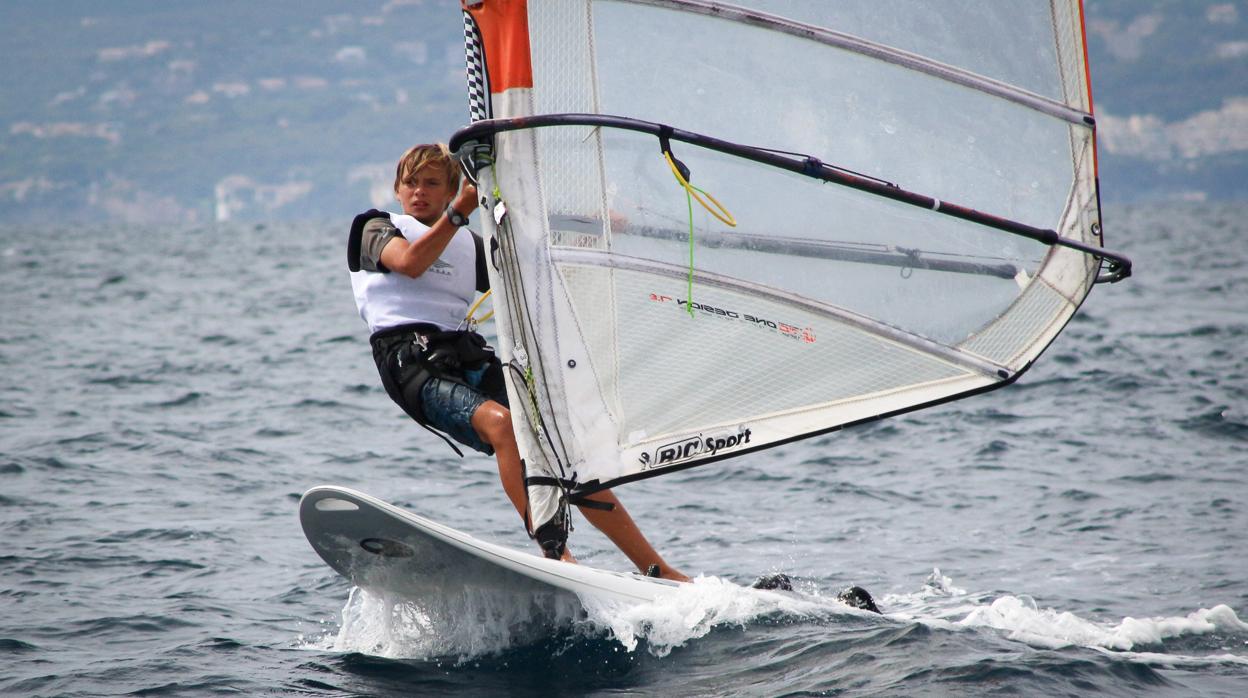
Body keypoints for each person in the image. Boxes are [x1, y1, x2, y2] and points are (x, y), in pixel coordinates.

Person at [347, 143, 689, 582]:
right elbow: (410, 264)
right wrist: (460, 210)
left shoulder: (469, 245)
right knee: (503, 425)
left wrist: (593, 229)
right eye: (411, 183)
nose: (419, 192)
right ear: (397, 189)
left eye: (432, 183)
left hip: (462, 353)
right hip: (410, 364)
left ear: (451, 188)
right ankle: (555, 553)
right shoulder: (375, 227)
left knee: (563, 448)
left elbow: (532, 263)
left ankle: (657, 569)